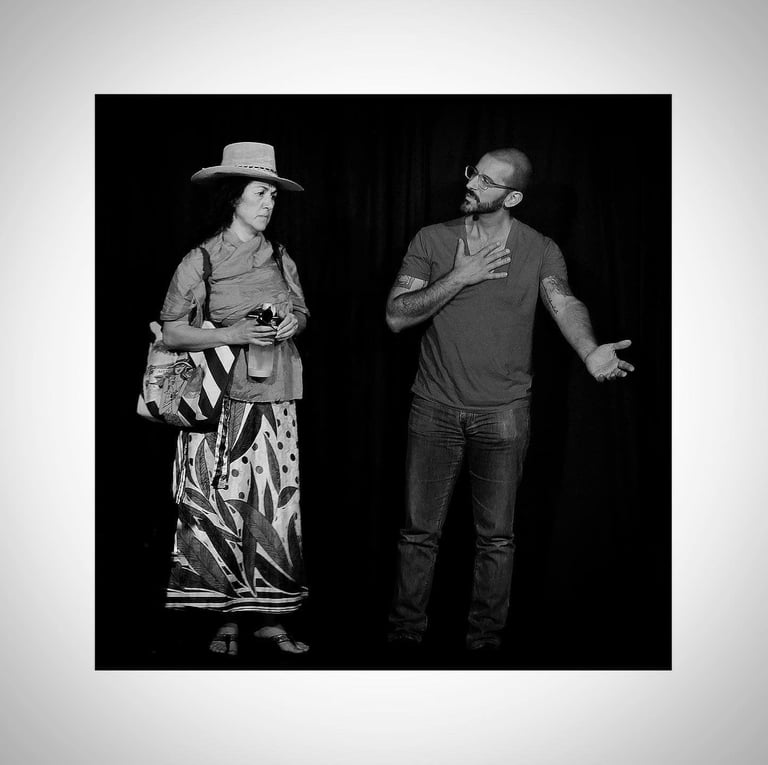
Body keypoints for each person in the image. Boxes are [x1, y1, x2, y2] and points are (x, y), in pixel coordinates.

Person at [385, 147, 634, 655]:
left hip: (504, 415)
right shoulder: (433, 239)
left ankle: (484, 641)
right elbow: (396, 315)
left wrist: (589, 350)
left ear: (513, 197)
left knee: (496, 538)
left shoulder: (539, 248)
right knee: (418, 533)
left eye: (486, 180)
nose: (471, 183)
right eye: (473, 173)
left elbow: (563, 301)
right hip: (433, 408)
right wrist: (460, 276)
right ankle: (406, 634)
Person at [159, 142, 310, 657]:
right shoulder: (201, 259)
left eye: (273, 195)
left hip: (276, 400)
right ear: (234, 198)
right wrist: (234, 333)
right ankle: (222, 619)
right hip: (220, 408)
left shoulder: (281, 255)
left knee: (272, 510)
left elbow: (302, 311)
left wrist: (293, 324)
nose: (269, 203)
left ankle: (269, 617)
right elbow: (172, 331)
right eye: (259, 193)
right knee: (221, 507)